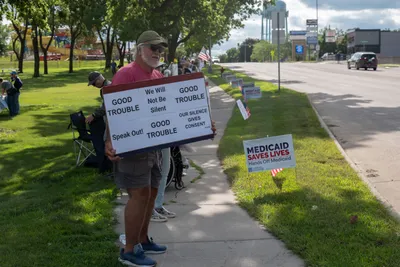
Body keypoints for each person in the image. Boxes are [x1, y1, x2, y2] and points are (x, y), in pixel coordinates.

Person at [105, 30, 216, 267]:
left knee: (153, 192)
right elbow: (112, 111)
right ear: (139, 49)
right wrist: (109, 140)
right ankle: (129, 250)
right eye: (152, 48)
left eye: (160, 49)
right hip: (132, 148)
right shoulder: (126, 74)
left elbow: (171, 113)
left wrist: (203, 124)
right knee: (139, 195)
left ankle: (143, 240)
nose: (157, 53)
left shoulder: (156, 75)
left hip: (155, 147)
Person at [86, 71, 112, 173]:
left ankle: (108, 167)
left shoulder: (106, 88)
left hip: (110, 121)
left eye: (93, 83)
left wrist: (94, 115)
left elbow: (106, 107)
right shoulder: (108, 85)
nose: (93, 86)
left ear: (98, 81)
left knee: (106, 141)